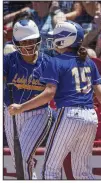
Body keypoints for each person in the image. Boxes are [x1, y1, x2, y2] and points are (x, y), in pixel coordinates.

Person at [8, 21, 101, 180]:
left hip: (69, 115)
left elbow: (49, 93)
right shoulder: (89, 62)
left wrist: (21, 107)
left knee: (49, 170)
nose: (54, 40)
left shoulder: (56, 61)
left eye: (57, 37)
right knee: (82, 173)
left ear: (65, 39)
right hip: (91, 116)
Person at [3, 19, 52, 179]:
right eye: (24, 42)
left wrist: (21, 108)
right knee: (19, 162)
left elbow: (48, 94)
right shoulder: (9, 60)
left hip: (38, 114)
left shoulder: (47, 62)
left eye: (32, 40)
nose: (29, 45)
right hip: (11, 114)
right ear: (16, 43)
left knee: (23, 156)